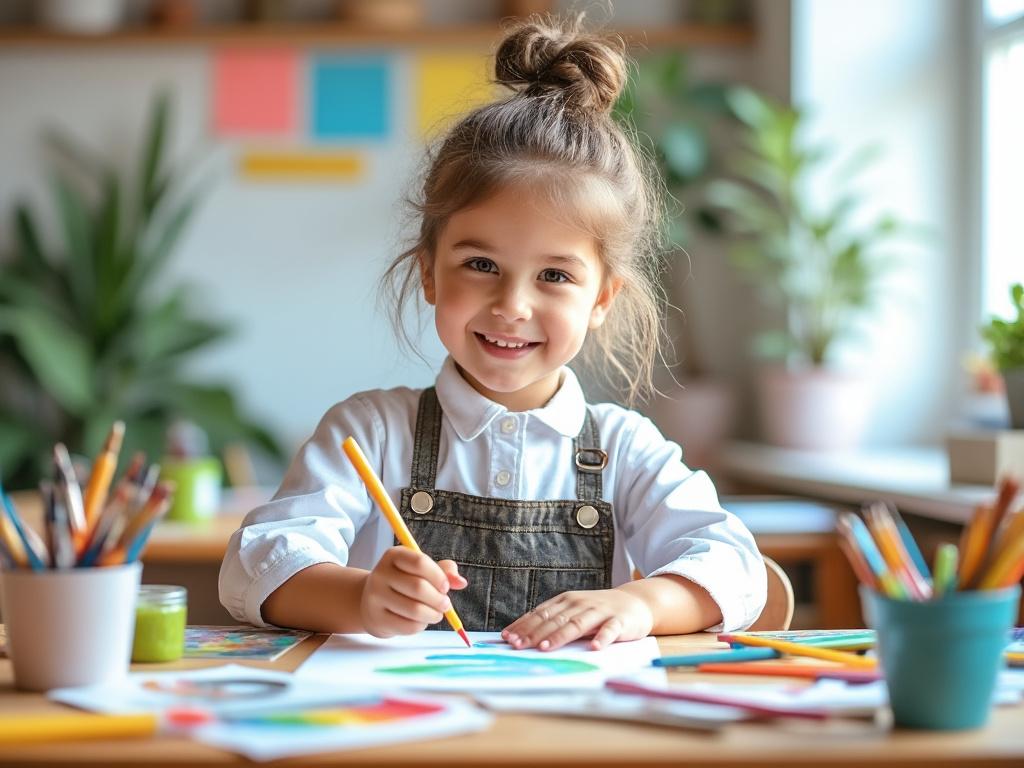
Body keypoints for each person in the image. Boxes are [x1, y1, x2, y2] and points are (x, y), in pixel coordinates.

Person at [219, 15, 766, 652]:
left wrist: (639, 603)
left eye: (555, 275)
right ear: (428, 273)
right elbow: (252, 565)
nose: (512, 304)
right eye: (481, 266)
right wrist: (359, 596)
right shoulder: (367, 432)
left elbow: (738, 570)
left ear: (601, 299)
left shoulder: (626, 449)